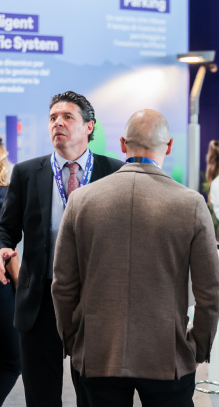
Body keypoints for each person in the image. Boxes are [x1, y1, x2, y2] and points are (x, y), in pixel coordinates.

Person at [52, 109, 219, 406]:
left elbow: (63, 285)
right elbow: (209, 293)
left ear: (121, 143)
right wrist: (197, 347)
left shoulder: (80, 200)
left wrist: (74, 340)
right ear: (169, 146)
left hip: (97, 351)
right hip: (167, 354)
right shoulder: (191, 204)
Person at [0, 91, 124, 407]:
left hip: (95, 301)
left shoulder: (115, 172)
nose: (58, 123)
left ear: (89, 127)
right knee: (41, 395)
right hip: (39, 298)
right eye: (53, 117)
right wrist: (1, 249)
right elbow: (6, 229)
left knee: (95, 395)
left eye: (68, 117)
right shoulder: (27, 173)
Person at [0, 138, 21, 405]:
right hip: (4, 279)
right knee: (12, 358)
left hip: (4, 278)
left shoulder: (10, 184)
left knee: (12, 358)